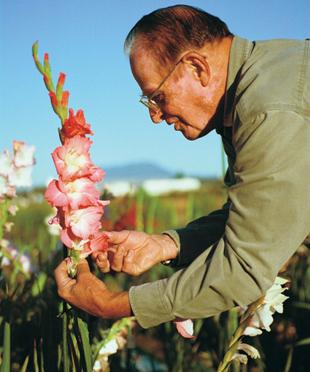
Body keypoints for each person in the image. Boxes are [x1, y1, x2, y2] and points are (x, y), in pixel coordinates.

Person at [55, 5, 310, 328]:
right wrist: (164, 245)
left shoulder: (269, 109)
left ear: (196, 67)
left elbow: (244, 266)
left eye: (157, 97)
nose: (155, 116)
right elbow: (258, 221)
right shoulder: (260, 86)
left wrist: (112, 304)